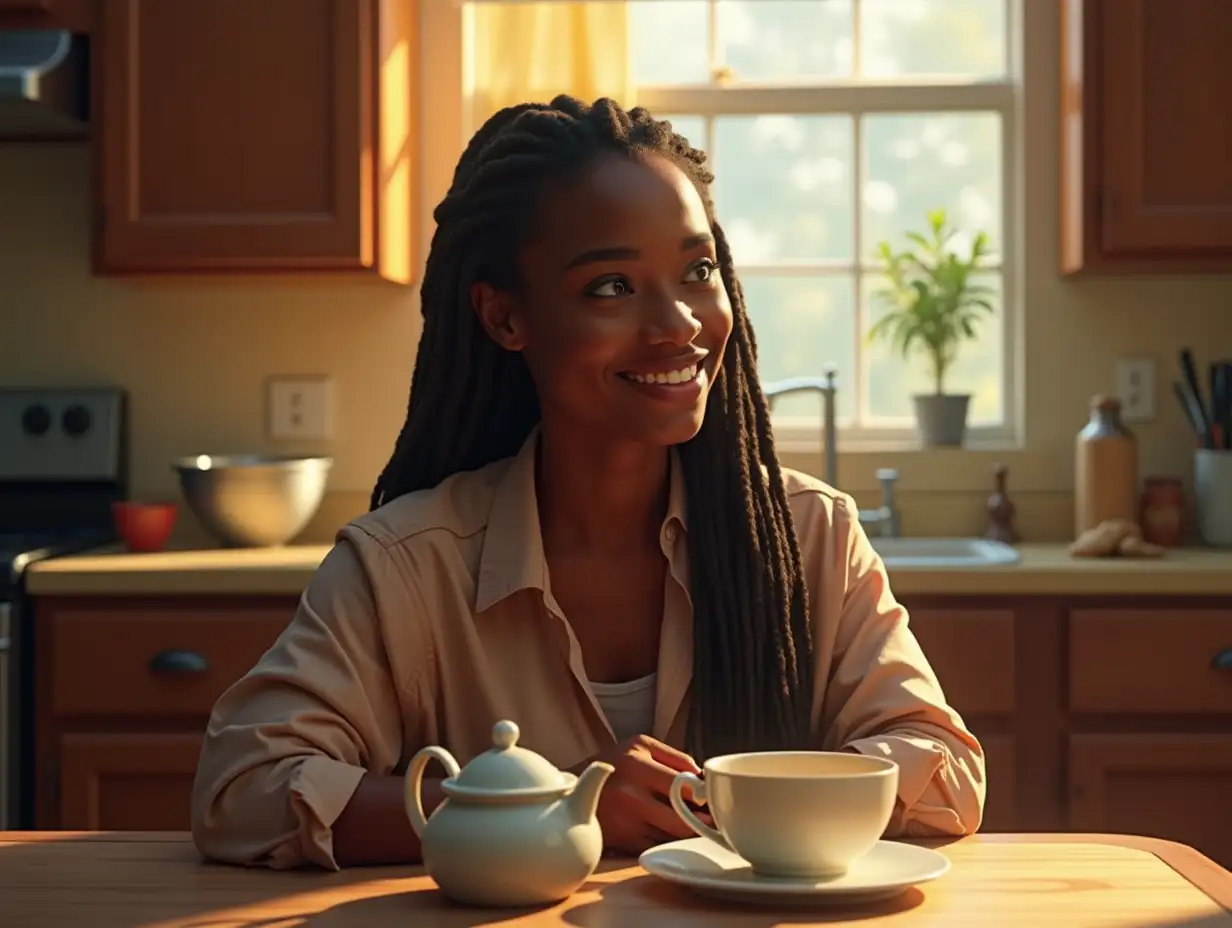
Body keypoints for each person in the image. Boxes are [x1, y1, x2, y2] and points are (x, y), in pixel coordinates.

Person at [191, 96, 985, 871]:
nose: (678, 323)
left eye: (698, 270)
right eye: (611, 286)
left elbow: (944, 768)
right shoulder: (403, 566)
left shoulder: (812, 535)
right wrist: (553, 807)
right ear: (506, 318)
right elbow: (244, 791)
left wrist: (754, 796)